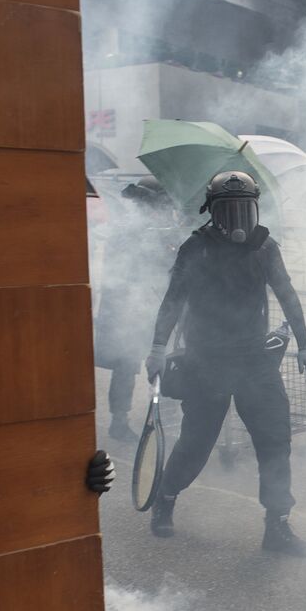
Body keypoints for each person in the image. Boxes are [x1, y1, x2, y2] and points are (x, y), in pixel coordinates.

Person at [144, 171, 306, 557]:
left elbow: (287, 293)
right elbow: (173, 300)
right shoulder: (196, 248)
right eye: (230, 210)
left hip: (255, 359)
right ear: (213, 212)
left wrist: (305, 344)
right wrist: (157, 347)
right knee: (197, 443)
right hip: (206, 360)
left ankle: (278, 528)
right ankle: (165, 498)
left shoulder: (265, 247)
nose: (239, 220)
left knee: (275, 442)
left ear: (255, 209)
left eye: (245, 209)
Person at [95, 177, 179, 442]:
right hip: (127, 306)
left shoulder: (157, 228)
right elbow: (125, 267)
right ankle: (120, 421)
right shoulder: (128, 230)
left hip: (150, 303)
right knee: (127, 362)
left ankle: (162, 415)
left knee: (159, 357)